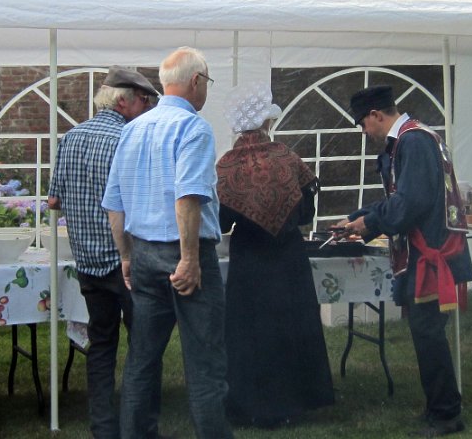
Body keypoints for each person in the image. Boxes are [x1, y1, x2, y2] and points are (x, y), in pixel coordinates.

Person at [102, 47, 233, 439]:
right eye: (207, 81)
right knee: (205, 363)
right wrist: (190, 259)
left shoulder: (132, 128)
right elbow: (187, 197)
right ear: (196, 81)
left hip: (142, 252)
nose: (206, 89)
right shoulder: (193, 128)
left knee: (142, 359)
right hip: (184, 253)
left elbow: (114, 202)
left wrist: (125, 256)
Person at [341, 85, 472, 438]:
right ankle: (438, 407)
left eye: (362, 124)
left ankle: (447, 414)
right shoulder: (412, 138)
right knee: (426, 333)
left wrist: (368, 223)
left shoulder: (413, 142)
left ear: (376, 115)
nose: (363, 131)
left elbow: (410, 203)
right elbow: (399, 197)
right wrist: (361, 217)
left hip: (431, 254)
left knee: (428, 334)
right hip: (427, 250)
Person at [47, 66, 158, 439]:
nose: (148, 107)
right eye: (145, 100)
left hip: (89, 263)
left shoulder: (71, 137)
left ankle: (104, 429)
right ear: (123, 101)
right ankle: (138, 429)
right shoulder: (131, 137)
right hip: (127, 260)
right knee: (143, 349)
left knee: (102, 344)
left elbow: (54, 200)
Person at [216, 82, 334, 428]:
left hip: (250, 257)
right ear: (266, 122)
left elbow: (222, 222)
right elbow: (306, 215)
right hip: (287, 256)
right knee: (289, 327)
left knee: (249, 331)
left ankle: (249, 405)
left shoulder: (226, 166)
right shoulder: (288, 158)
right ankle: (292, 404)